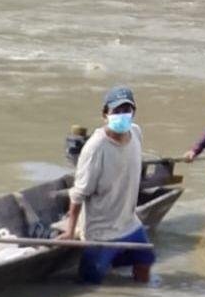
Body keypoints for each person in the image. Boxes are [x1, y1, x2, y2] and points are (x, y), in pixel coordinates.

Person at [58, 86, 154, 284]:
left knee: (145, 261)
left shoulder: (136, 132)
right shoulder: (95, 148)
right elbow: (79, 193)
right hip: (101, 231)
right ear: (105, 114)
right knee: (91, 282)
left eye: (126, 110)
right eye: (117, 111)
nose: (122, 115)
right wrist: (70, 231)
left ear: (133, 112)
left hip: (129, 222)